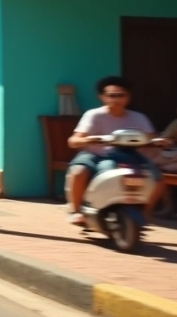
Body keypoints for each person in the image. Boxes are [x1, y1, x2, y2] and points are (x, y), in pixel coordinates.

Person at [65, 76, 162, 226]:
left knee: (158, 178)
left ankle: (146, 213)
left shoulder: (138, 117)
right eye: (111, 95)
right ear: (102, 97)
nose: (116, 99)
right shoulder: (93, 115)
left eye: (121, 95)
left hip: (128, 155)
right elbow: (74, 140)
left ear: (128, 97)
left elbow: (151, 138)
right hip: (95, 154)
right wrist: (89, 140)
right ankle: (76, 211)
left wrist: (159, 142)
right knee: (78, 172)